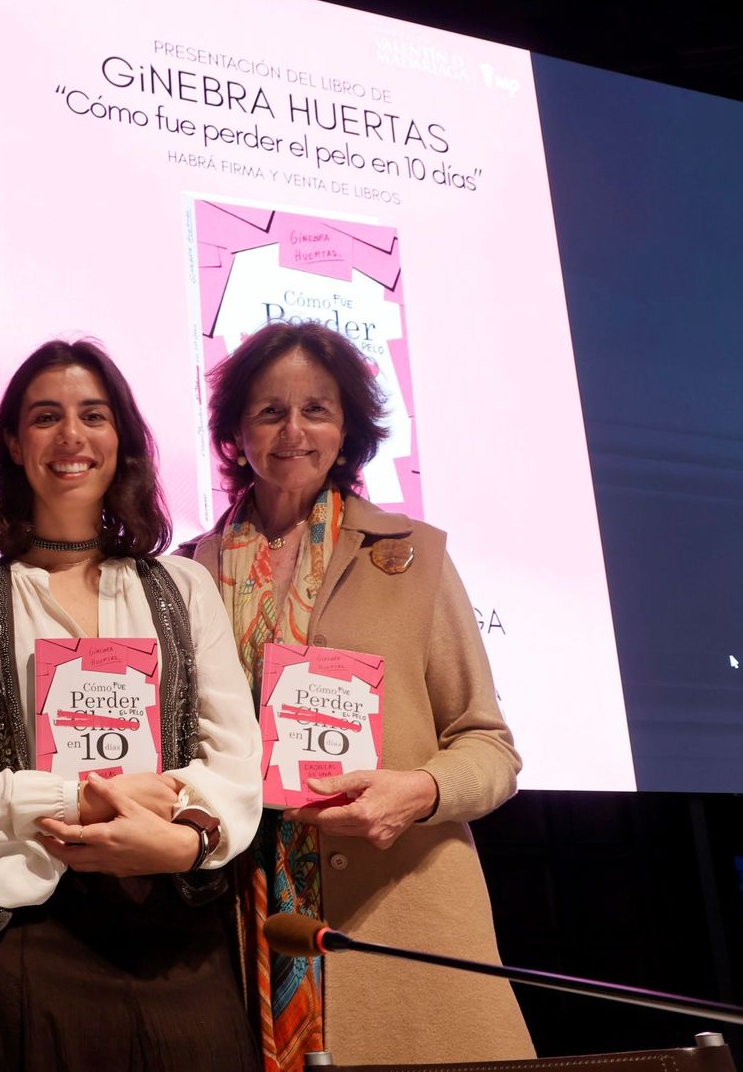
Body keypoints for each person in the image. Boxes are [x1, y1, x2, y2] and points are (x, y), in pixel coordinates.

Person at [177, 320, 533, 1069]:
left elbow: (488, 745)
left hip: (401, 919)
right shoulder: (185, 572)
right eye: (270, 410)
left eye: (318, 409)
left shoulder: (412, 556)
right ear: (237, 429)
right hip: (234, 922)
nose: (294, 430)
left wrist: (420, 790)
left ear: (350, 428)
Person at [0, 339, 264, 1072]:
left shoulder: (182, 588)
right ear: (13, 443)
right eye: (46, 417)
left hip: (180, 935)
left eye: (93, 415)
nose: (71, 436)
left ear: (122, 440)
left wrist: (187, 840)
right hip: (30, 944)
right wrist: (78, 800)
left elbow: (237, 761)